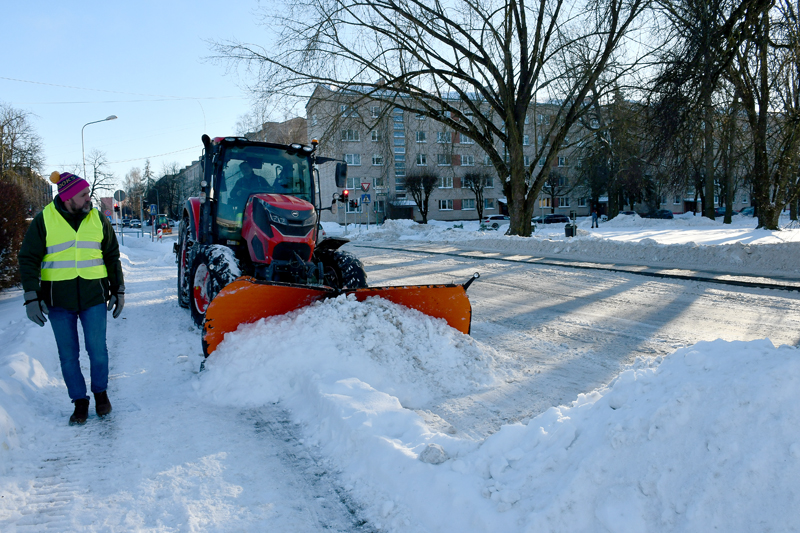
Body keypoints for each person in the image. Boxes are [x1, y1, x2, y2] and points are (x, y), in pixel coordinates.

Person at [18, 171, 125, 426]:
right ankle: (79, 401)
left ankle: (100, 394)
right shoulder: (45, 220)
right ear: (67, 198)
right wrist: (31, 297)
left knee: (98, 351)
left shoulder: (98, 218)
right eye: (84, 194)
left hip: (94, 297)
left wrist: (118, 289)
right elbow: (28, 259)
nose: (89, 198)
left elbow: (112, 255)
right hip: (58, 301)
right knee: (68, 355)